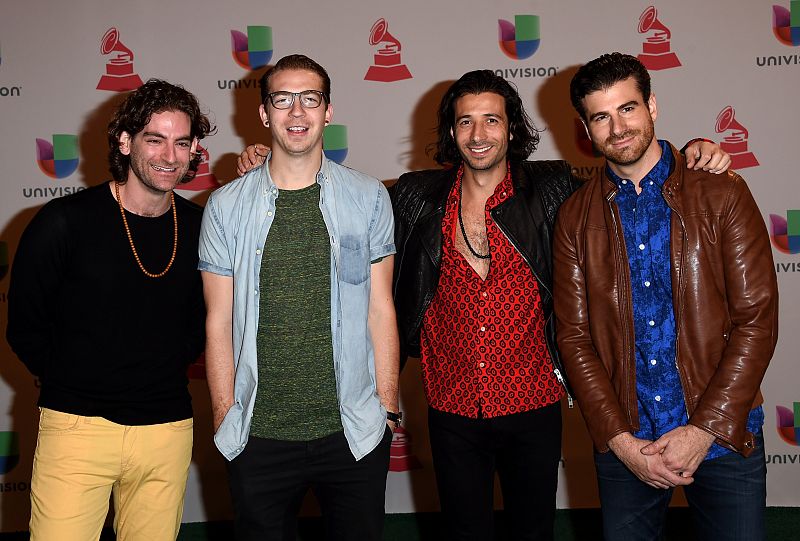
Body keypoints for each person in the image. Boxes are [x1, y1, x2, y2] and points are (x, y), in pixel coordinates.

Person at [237, 69, 729, 541]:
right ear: (452, 132)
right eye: (465, 121)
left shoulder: (553, 188)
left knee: (532, 532)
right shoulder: (415, 196)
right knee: (463, 532)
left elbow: (628, 171)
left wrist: (689, 155)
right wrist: (276, 158)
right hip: (451, 407)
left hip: (533, 404)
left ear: (511, 129)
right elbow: (343, 192)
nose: (478, 134)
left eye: (492, 119)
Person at [554, 52, 777, 541]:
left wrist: (705, 429)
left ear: (652, 105)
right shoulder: (573, 217)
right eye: (601, 116)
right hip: (628, 440)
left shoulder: (721, 194)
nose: (618, 128)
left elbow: (756, 320)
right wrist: (619, 440)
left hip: (723, 435)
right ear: (585, 128)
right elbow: (573, 337)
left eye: (628, 108)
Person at [199, 54, 399, 541]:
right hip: (258, 436)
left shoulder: (369, 198)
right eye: (283, 99)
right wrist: (226, 414)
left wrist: (388, 409)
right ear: (264, 113)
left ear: (328, 111)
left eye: (310, 99)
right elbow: (218, 322)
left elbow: (380, 308)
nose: (297, 112)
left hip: (352, 431)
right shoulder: (225, 206)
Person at [6, 79, 213, 540]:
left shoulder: (202, 226)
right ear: (125, 141)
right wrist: (77, 380)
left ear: (194, 147)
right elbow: (25, 327)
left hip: (166, 429)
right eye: (154, 140)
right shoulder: (62, 223)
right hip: (77, 429)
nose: (168, 156)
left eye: (181, 142)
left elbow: (206, 322)